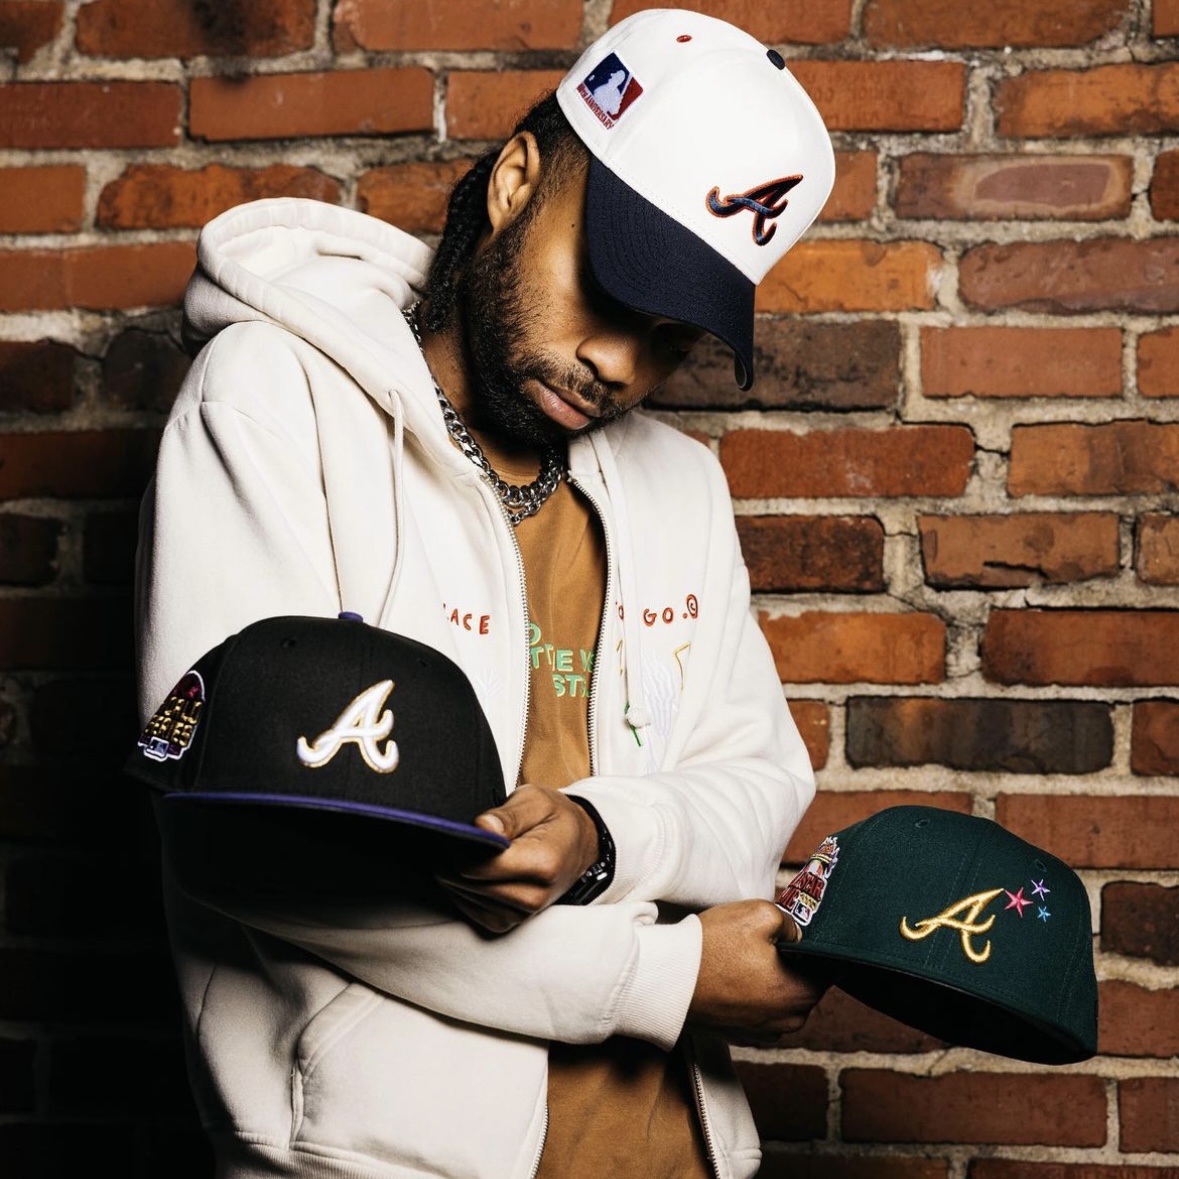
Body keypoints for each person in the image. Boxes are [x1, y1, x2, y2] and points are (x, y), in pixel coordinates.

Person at [134, 9, 836, 1178]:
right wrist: (663, 976)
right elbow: (244, 839)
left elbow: (756, 786)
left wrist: (604, 837)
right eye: (610, 292)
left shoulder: (681, 489)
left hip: (675, 1147)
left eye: (671, 334)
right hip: (381, 1156)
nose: (619, 364)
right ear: (517, 180)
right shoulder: (269, 405)